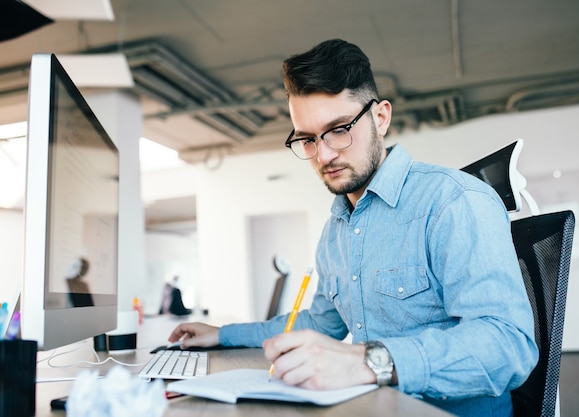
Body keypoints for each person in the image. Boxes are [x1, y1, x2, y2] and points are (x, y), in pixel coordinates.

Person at [169, 39, 538, 416]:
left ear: (380, 118)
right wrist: (221, 335)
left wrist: (366, 362)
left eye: (339, 129)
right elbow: (316, 323)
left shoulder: (453, 202)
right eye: (307, 139)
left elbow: (508, 345)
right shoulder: (336, 233)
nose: (324, 154)